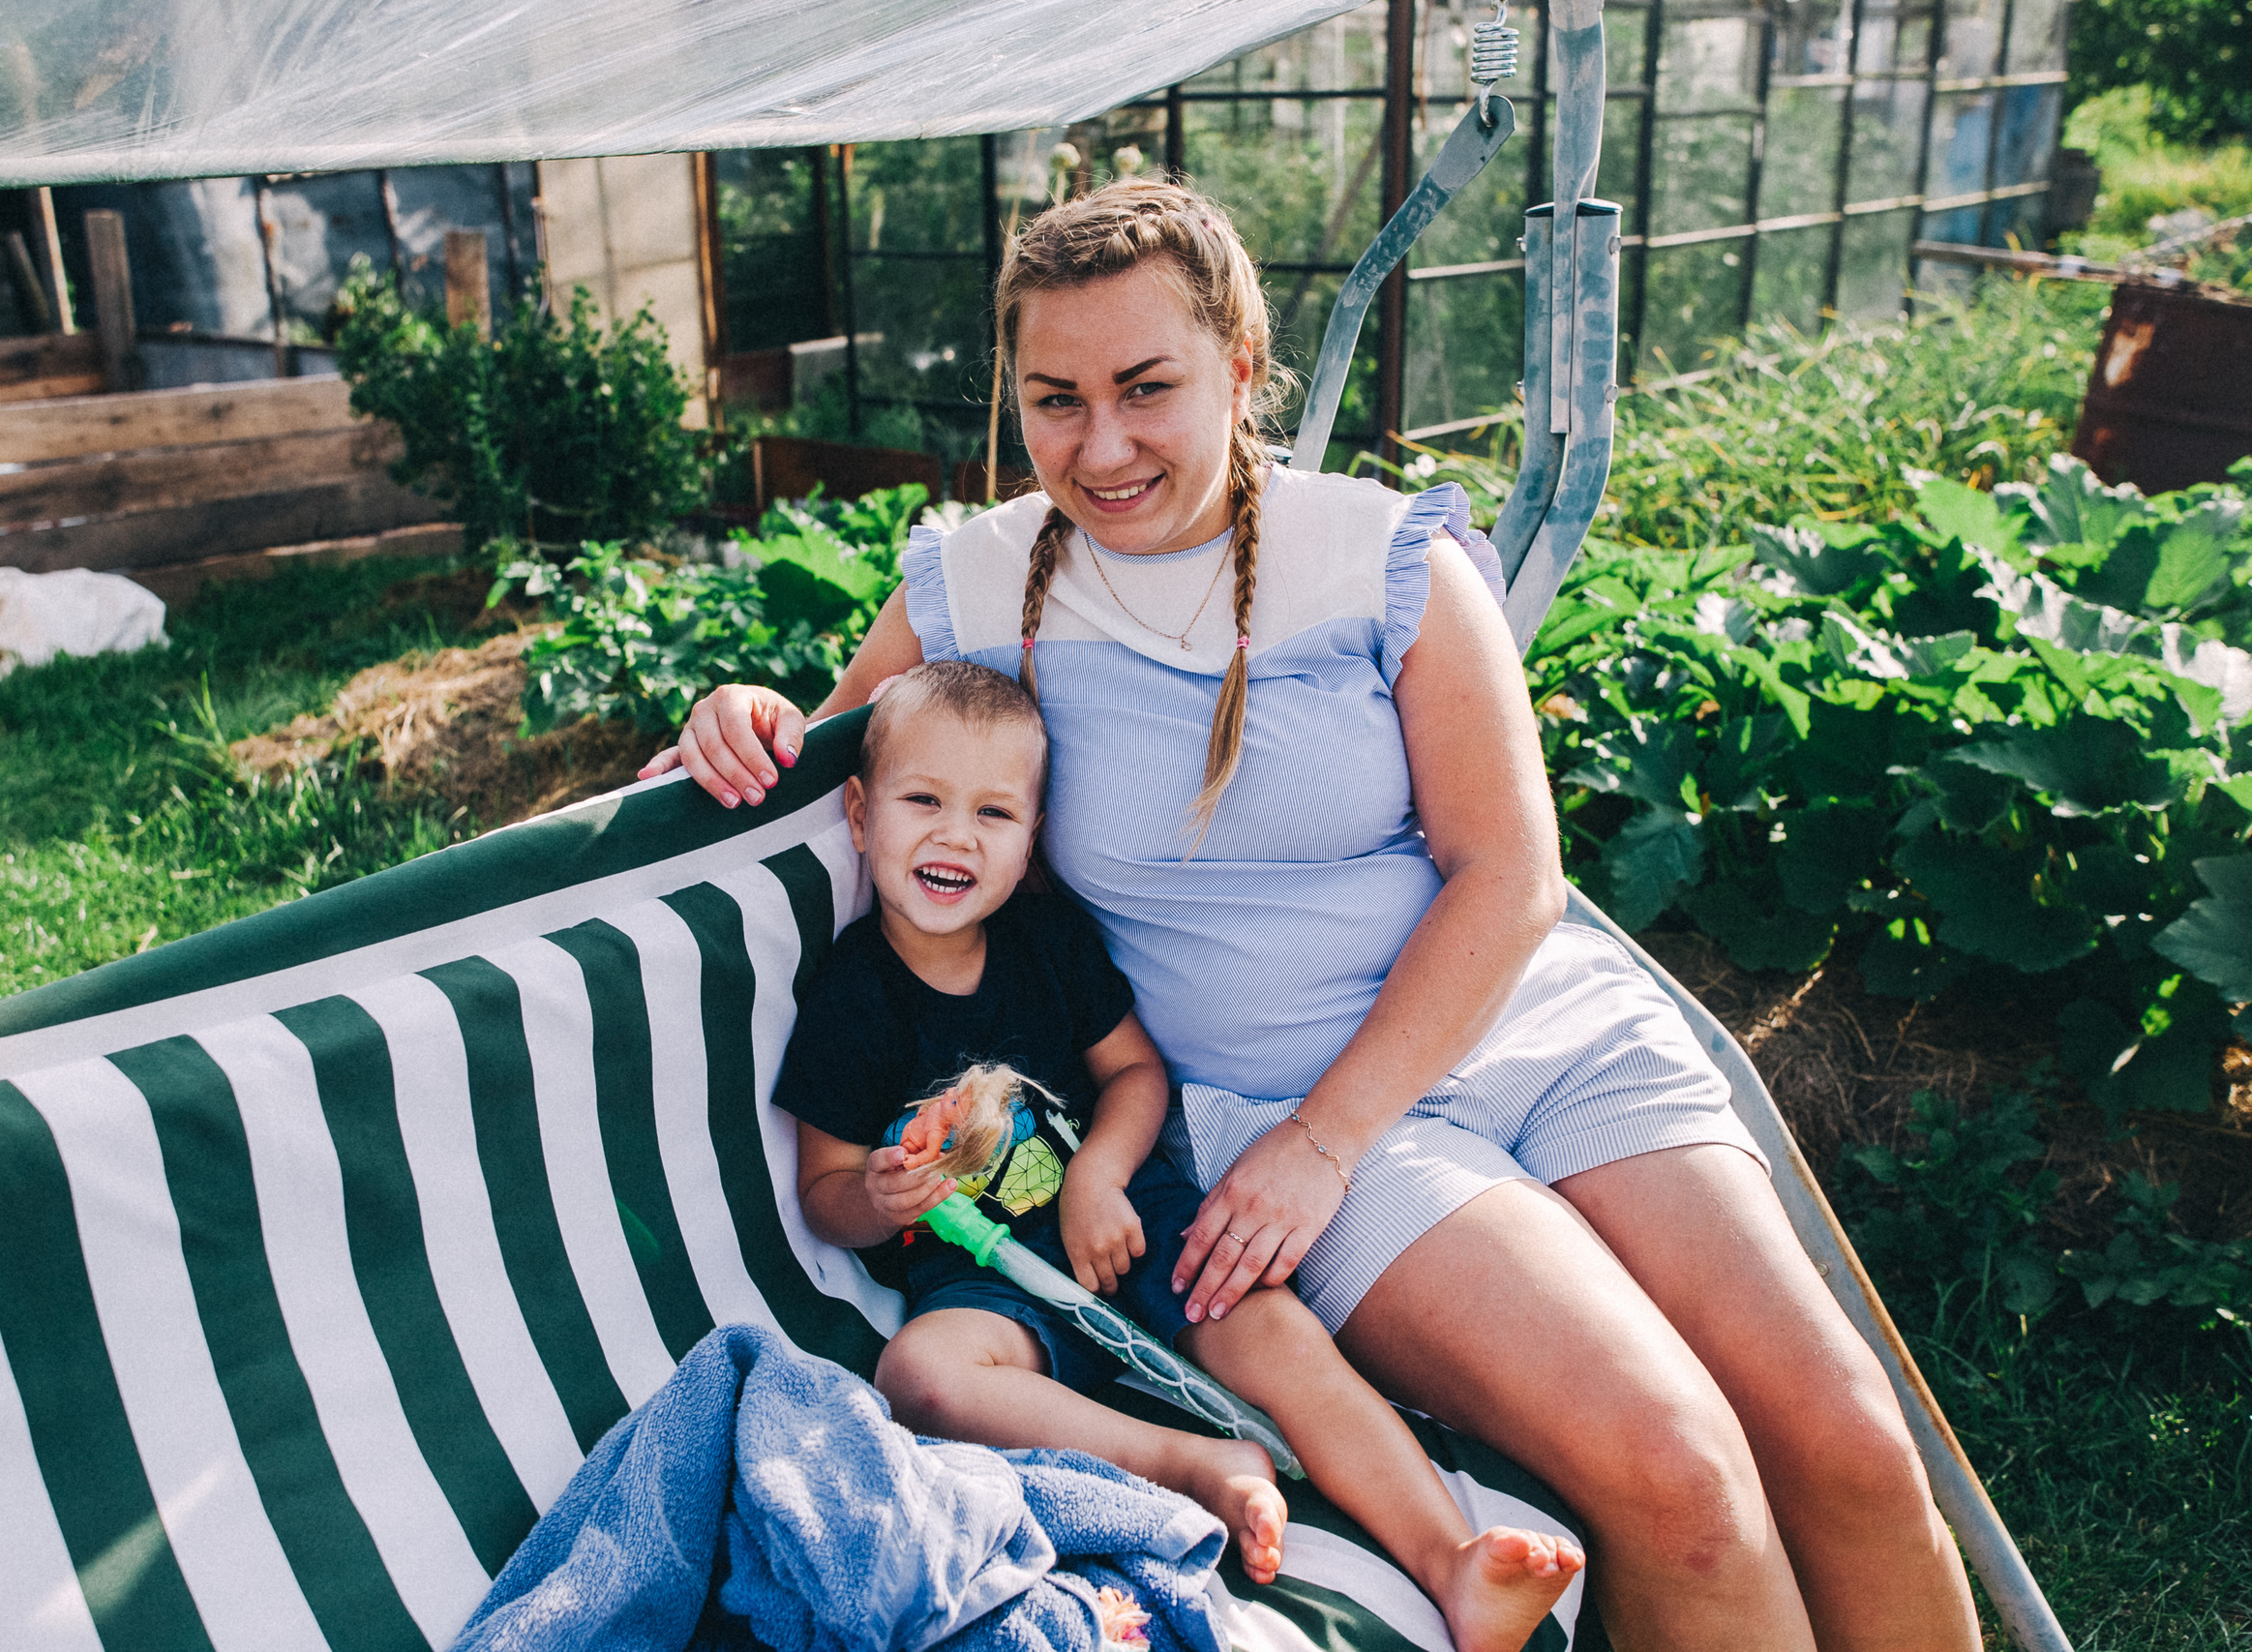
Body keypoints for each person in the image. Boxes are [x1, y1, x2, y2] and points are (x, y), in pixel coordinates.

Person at [646, 181, 1981, 1651]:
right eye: (1054, 400)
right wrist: (734, 709)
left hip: (1514, 1038)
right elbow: (817, 771)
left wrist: (1325, 1140)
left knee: (1853, 1441)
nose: (1101, 446)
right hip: (1280, 1104)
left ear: (1241, 359)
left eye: (1147, 388)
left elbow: (1510, 872)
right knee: (1682, 1481)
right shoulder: (972, 583)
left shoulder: (1384, 557)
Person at [773, 659, 1584, 1651]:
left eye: (993, 814)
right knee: (921, 1375)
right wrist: (878, 1194)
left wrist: (1101, 1178)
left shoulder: (1042, 943)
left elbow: (1134, 1076)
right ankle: (1188, 1463)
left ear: (1032, 841)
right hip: (987, 1283)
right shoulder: (852, 997)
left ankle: (1450, 1561)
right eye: (922, 801)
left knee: (1276, 1336)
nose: (953, 835)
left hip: (1135, 1223)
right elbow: (823, 1193)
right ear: (859, 815)